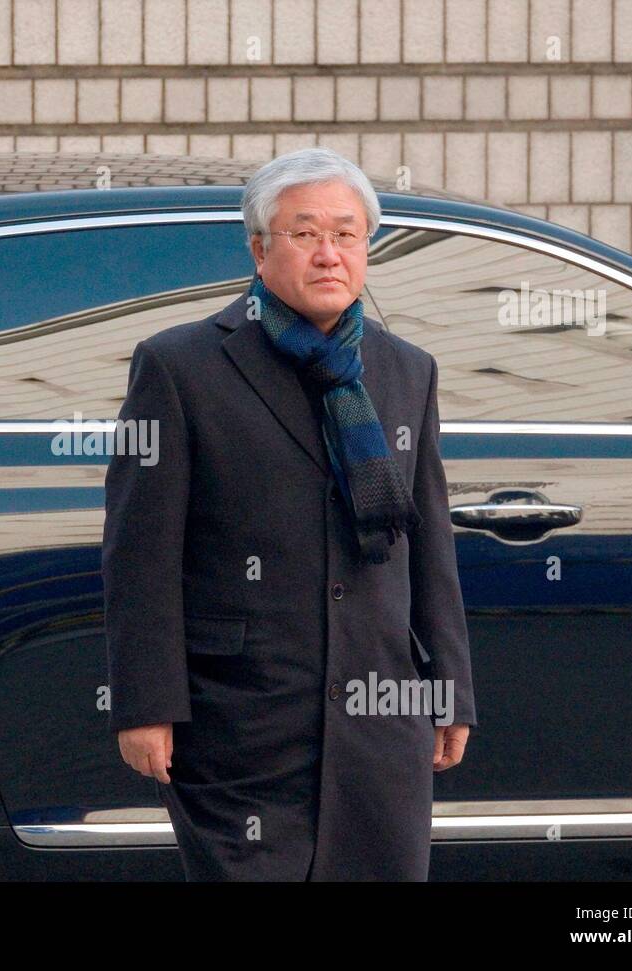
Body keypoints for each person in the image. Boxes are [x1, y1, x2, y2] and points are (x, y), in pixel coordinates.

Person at [103, 147, 477, 880]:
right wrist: (144, 703)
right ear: (258, 247)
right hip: (240, 720)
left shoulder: (407, 369)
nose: (329, 254)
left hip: (381, 712)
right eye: (305, 234)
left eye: (348, 234)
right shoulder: (179, 367)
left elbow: (428, 541)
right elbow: (140, 553)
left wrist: (451, 686)